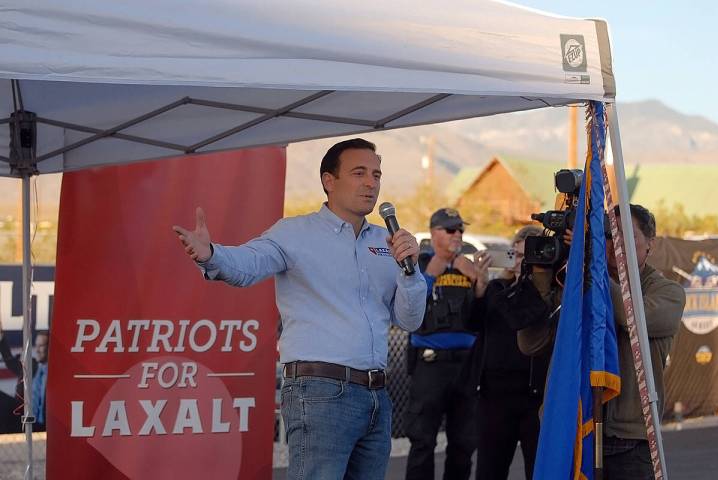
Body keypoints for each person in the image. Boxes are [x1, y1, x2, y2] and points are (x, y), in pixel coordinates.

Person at [173, 138, 427, 480]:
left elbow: (410, 320)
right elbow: (248, 263)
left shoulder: (387, 244)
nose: (371, 182)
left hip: (376, 398)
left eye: (376, 174)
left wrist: (410, 272)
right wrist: (211, 254)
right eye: (359, 172)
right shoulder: (295, 233)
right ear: (329, 181)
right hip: (322, 392)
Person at [517, 204, 686, 480]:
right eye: (606, 234)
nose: (612, 243)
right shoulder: (577, 283)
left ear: (650, 244)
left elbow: (633, 318)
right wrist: (542, 278)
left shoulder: (667, 291)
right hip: (574, 433)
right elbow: (530, 344)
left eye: (623, 235)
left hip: (629, 442)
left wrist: (592, 267)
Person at [404, 208, 489, 480]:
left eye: (460, 230)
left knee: (464, 443)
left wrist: (480, 285)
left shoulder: (469, 266)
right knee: (422, 441)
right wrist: (433, 270)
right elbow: (408, 308)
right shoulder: (419, 263)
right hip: (430, 364)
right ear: (433, 233)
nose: (458, 235)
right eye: (450, 230)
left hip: (466, 364)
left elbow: (481, 318)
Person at [463, 225, 550, 480]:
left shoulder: (547, 293)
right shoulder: (497, 288)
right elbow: (472, 324)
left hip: (535, 395)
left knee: (539, 469)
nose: (518, 261)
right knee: (490, 469)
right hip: (495, 396)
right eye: (514, 254)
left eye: (525, 256)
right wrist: (479, 288)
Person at [0, 319, 49, 433]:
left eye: (41, 346)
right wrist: (1, 337)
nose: (37, 350)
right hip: (24, 423)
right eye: (36, 345)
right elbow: (10, 361)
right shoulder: (31, 366)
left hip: (46, 426)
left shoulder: (56, 372)